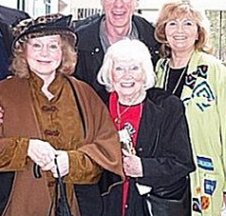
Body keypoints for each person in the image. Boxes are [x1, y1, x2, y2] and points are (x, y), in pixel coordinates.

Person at [0, 13, 124, 216]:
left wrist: (71, 162)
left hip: (74, 206)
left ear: (63, 51)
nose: (45, 53)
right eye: (36, 45)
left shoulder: (84, 94)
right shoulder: (3, 92)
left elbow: (108, 148)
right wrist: (25, 148)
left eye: (53, 45)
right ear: (24, 51)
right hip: (17, 207)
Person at [97, 38, 195, 216]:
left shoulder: (168, 107)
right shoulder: (96, 105)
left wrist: (143, 167)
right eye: (119, 68)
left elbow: (182, 163)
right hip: (106, 204)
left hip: (149, 206)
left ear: (145, 72)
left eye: (134, 68)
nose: (127, 76)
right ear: (110, 73)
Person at [154, 1, 226, 215]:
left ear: (198, 32)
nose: (179, 30)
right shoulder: (159, 70)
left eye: (188, 24)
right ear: (163, 31)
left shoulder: (214, 70)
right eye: (172, 23)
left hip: (203, 173)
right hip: (167, 177)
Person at [74, 0, 160, 102]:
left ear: (136, 2)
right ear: (102, 2)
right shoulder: (78, 42)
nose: (118, 4)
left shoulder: (154, 39)